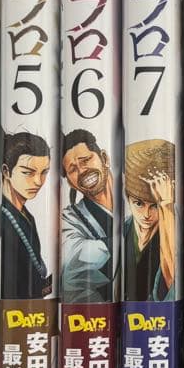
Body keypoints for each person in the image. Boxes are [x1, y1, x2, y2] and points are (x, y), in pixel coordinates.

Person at [60, 129, 115, 303]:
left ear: (104, 158)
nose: (82, 170)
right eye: (72, 169)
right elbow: (74, 264)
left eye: (86, 160)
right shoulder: (69, 219)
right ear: (70, 182)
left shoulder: (140, 197)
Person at [123, 139, 176, 302]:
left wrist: (165, 204)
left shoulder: (172, 231)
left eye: (154, 206)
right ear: (128, 199)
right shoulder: (122, 231)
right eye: (138, 204)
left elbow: (171, 281)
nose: (146, 214)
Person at [0, 131, 52, 300]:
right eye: (28, 172)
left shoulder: (27, 216)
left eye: (44, 172)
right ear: (6, 171)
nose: (38, 181)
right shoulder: (0, 218)